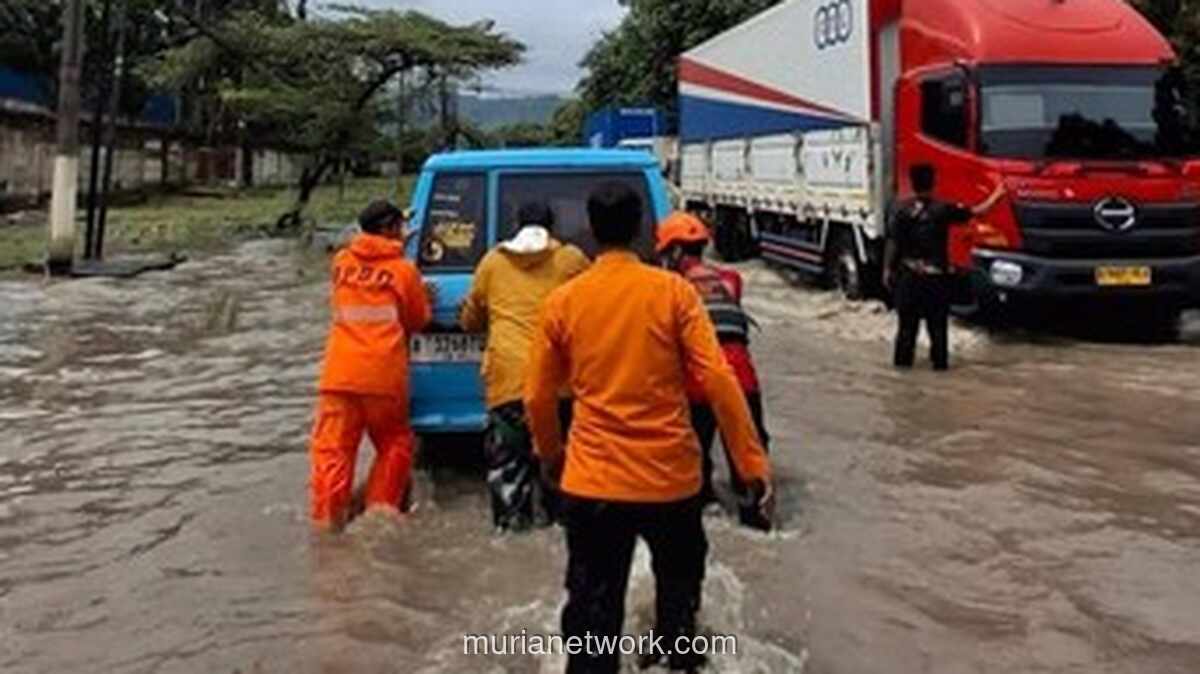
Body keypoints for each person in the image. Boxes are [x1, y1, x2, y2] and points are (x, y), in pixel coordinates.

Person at [525, 182, 773, 674]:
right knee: (679, 623)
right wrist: (750, 464)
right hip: (671, 482)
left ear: (593, 232)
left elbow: (536, 395)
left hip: (594, 483)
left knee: (593, 626)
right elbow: (720, 381)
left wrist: (552, 456)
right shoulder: (674, 294)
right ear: (640, 228)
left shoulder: (564, 301)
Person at [460, 201, 590, 531]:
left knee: (508, 475)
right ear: (553, 226)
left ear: (516, 224)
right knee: (562, 473)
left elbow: (472, 319)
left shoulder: (491, 263)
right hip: (558, 384)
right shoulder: (571, 260)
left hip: (509, 385)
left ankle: (513, 533)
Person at [309, 200, 432, 530]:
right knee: (395, 443)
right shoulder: (404, 271)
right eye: (400, 226)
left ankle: (327, 524)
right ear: (391, 228)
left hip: (339, 376)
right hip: (382, 376)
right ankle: (380, 515)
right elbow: (417, 319)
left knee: (332, 452)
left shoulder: (341, 262)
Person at [655, 211, 771, 531]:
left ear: (675, 252)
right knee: (750, 471)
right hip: (743, 381)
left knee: (693, 474)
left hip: (698, 383)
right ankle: (755, 521)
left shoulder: (670, 288)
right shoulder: (731, 280)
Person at [884, 165, 1005, 371]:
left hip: (909, 277)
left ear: (913, 184)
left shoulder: (901, 210)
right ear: (933, 183)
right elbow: (979, 211)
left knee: (906, 330)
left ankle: (901, 375)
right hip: (935, 279)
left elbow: (894, 243)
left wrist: (887, 270)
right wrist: (998, 194)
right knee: (938, 328)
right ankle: (939, 369)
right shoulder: (944, 209)